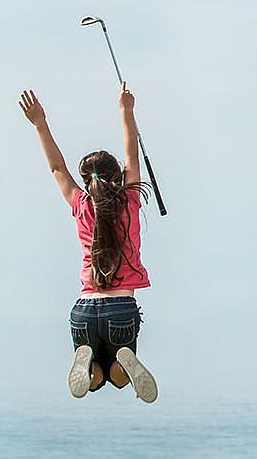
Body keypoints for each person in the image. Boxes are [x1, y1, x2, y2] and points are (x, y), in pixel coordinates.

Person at [19, 86, 159, 404]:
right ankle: (122, 362)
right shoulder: (129, 200)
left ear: (87, 180)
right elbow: (131, 155)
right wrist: (126, 110)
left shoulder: (81, 203)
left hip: (83, 309)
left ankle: (90, 365)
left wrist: (40, 123)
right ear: (118, 178)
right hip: (121, 309)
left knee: (94, 379)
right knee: (118, 378)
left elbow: (57, 169)